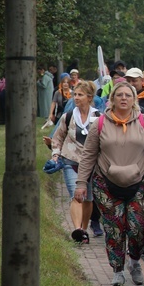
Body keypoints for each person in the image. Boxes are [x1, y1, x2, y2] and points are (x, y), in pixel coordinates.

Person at [75, 81, 144, 286]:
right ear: (112, 99)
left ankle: (134, 262)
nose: (123, 98)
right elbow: (88, 155)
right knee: (114, 229)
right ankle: (117, 270)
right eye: (119, 95)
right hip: (106, 183)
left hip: (139, 183)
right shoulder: (99, 124)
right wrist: (81, 183)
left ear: (134, 100)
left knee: (137, 228)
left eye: (128, 95)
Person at [51, 80, 100, 241]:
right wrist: (56, 154)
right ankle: (77, 229)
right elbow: (58, 138)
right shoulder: (68, 116)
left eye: (80, 95)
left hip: (92, 164)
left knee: (88, 198)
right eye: (75, 94)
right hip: (70, 160)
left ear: (89, 97)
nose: (76, 97)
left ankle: (84, 229)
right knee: (76, 194)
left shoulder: (99, 117)